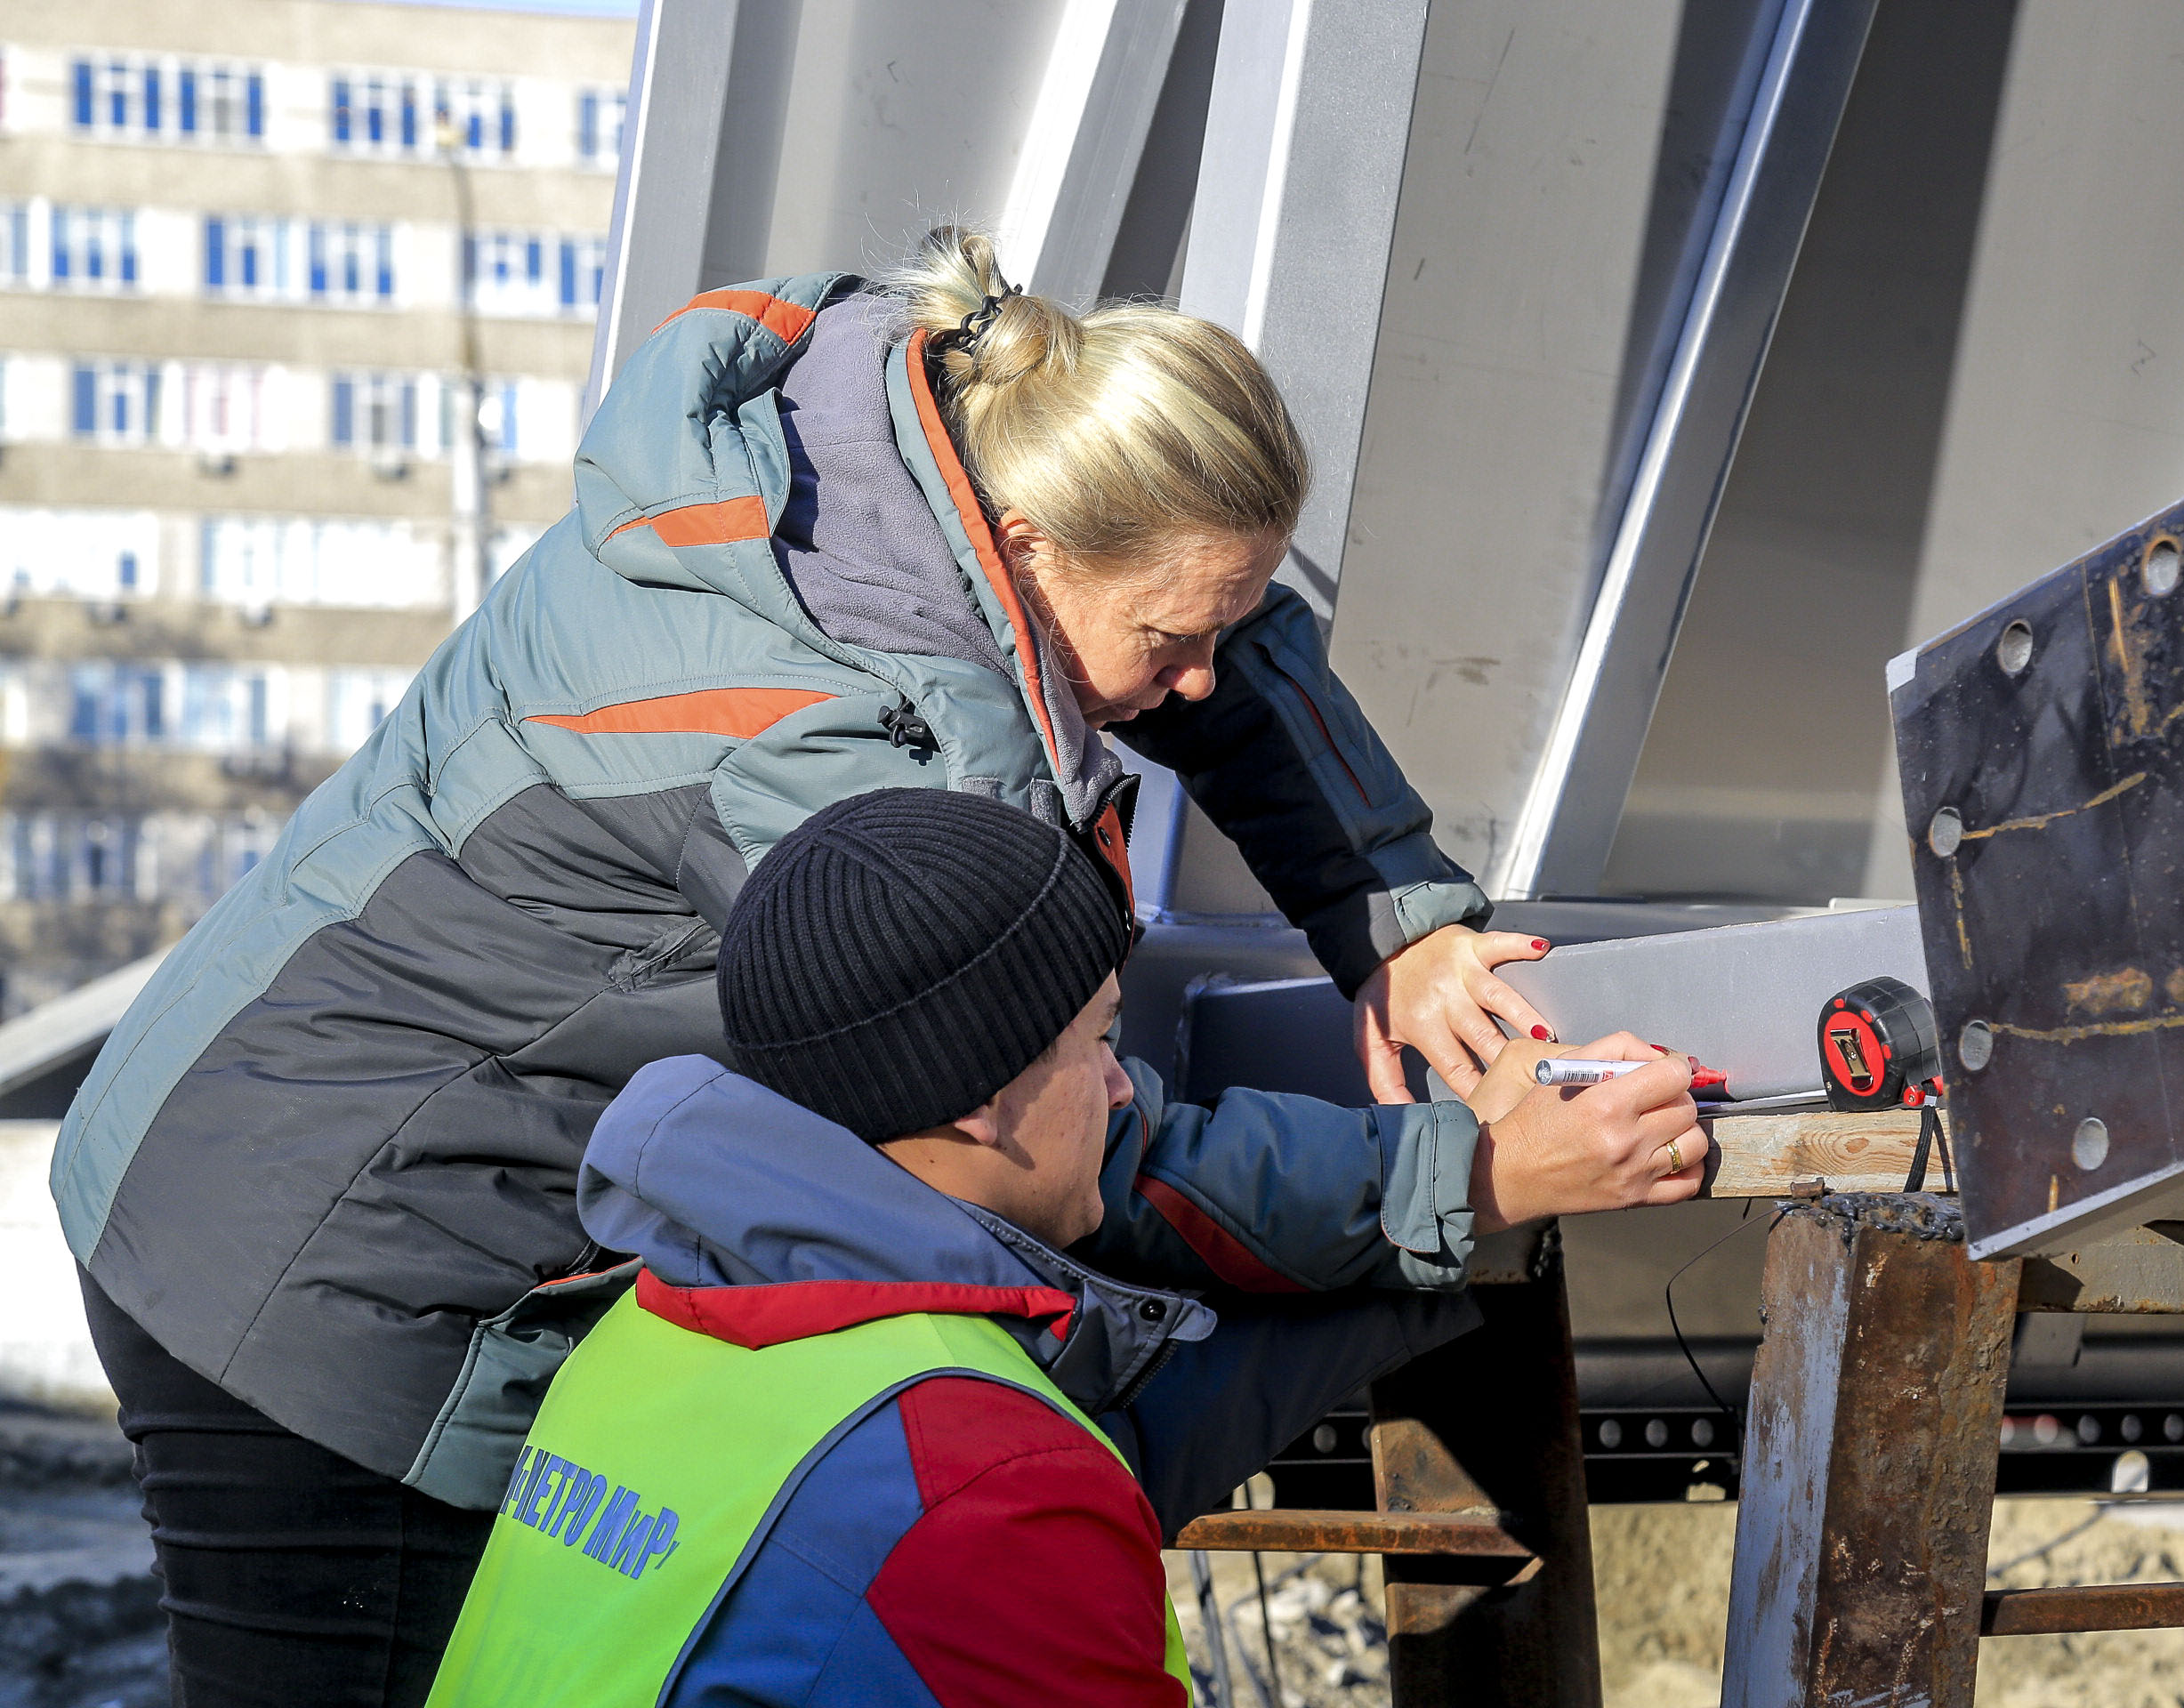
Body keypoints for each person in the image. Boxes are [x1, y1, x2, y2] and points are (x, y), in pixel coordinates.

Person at [56, 227, 1704, 1705]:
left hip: (244, 1106)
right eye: (1169, 645)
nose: (1202, 686)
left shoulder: (897, 444)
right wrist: (1471, 1175)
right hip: (329, 1263)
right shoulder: (873, 754)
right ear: (1037, 543)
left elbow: (1212, 610)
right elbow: (1061, 1152)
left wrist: (1394, 921)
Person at [427, 790, 1703, 1707]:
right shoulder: (989, 1480)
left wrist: (1487, 1186)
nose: (1120, 1086)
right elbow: (1020, 1485)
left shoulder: (651, 1331)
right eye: (1097, 1042)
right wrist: (1481, 1176)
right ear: (981, 1099)